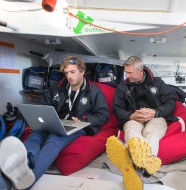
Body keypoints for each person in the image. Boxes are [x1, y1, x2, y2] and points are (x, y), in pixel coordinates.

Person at [0, 56, 109, 189]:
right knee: (35, 136)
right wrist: (41, 116)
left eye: (72, 72)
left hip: (77, 125)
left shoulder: (94, 91)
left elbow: (103, 115)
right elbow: (43, 106)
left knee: (54, 140)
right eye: (66, 73)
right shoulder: (56, 87)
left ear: (82, 71)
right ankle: (25, 162)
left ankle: (27, 181)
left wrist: (84, 120)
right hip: (53, 121)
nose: (69, 76)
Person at [106, 56, 178, 190]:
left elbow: (171, 102)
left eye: (130, 73)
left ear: (140, 71)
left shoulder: (158, 83)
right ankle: (146, 164)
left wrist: (155, 112)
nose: (127, 76)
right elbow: (117, 109)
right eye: (126, 72)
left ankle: (135, 168)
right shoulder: (122, 87)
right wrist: (131, 115)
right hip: (134, 118)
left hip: (156, 117)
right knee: (131, 131)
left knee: (150, 133)